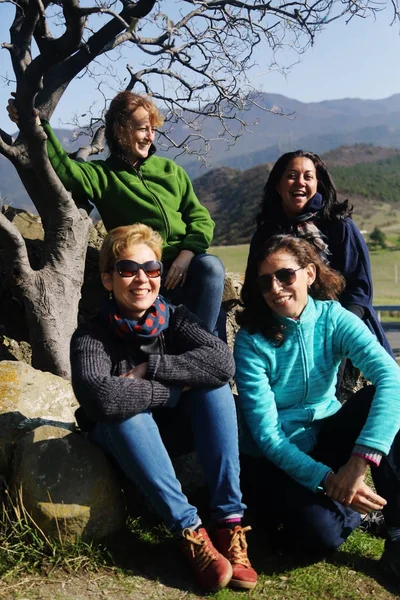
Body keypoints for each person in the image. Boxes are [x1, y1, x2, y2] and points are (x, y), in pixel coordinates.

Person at [70, 222, 257, 592]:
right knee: (126, 412)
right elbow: (102, 397)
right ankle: (190, 531)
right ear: (108, 279)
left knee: (214, 388)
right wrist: (172, 391)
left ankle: (228, 523)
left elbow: (221, 362)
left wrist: (150, 369)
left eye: (151, 269)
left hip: (172, 431)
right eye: (128, 269)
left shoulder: (174, 318)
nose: (142, 279)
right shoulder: (91, 336)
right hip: (124, 439)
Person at [234, 234, 400, 576]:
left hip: (327, 435)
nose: (276, 289)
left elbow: (390, 377)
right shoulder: (251, 342)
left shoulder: (333, 319)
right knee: (319, 535)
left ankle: (397, 533)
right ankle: (356, 513)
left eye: (285, 276)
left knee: (383, 396)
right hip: (278, 458)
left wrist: (357, 464)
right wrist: (328, 480)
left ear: (309, 273)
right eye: (265, 282)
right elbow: (268, 437)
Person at [7, 92, 225, 335]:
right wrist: (35, 124)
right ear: (120, 129)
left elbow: (200, 218)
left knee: (211, 268)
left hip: (186, 266)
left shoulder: (170, 170)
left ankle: (204, 350)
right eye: (143, 129)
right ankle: (203, 350)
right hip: (145, 272)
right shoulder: (103, 176)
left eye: (153, 129)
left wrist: (187, 253)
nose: (150, 136)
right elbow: (65, 170)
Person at [249, 150, 393, 356]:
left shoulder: (340, 227)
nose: (300, 182)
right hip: (284, 328)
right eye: (291, 176)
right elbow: (257, 287)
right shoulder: (266, 235)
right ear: (278, 186)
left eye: (308, 177)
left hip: (342, 325)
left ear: (318, 185)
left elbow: (359, 291)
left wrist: (337, 330)